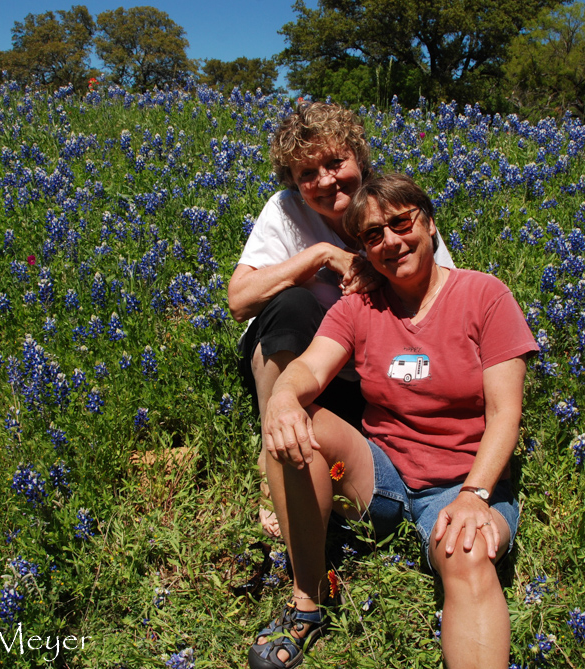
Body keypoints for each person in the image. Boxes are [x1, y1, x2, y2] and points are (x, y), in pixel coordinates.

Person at [248, 173, 538, 669]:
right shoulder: (359, 306)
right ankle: (308, 601)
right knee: (301, 424)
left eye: (400, 223)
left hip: (464, 484)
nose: (391, 242)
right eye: (373, 236)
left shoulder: (486, 297)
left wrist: (475, 495)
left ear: (427, 222)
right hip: (380, 480)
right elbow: (309, 369)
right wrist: (281, 398)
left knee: (467, 554)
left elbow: (505, 414)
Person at [228, 102, 454, 536]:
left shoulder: (394, 207)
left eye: (336, 163)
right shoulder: (286, 211)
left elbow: (444, 299)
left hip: (367, 372)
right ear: (294, 184)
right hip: (292, 359)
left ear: (360, 159)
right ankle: (272, 455)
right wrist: (319, 256)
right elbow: (239, 301)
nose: (326, 180)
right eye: (307, 174)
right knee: (293, 303)